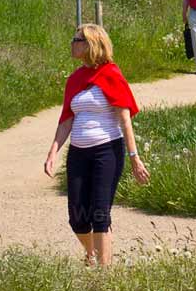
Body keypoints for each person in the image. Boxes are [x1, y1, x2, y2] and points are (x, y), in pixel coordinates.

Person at [42, 24, 150, 267]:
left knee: (100, 214)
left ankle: (104, 273)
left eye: (77, 39)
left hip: (106, 151)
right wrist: (52, 153)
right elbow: (66, 120)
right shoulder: (75, 79)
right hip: (78, 154)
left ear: (91, 44)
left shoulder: (111, 74)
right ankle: (92, 253)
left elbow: (125, 120)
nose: (72, 43)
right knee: (78, 218)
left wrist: (134, 157)